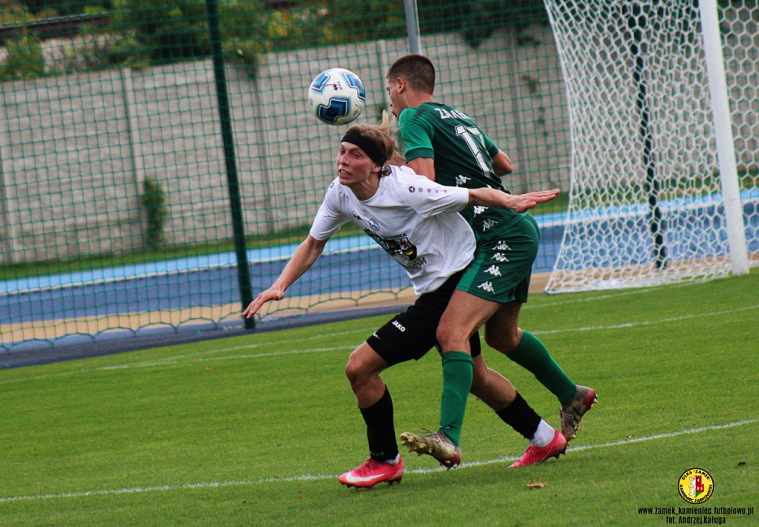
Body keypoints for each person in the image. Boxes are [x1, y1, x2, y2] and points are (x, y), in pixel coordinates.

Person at [243, 117, 565, 488]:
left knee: (359, 367)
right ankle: (544, 437)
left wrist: (512, 199)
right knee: (475, 377)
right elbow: (314, 243)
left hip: (455, 281)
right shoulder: (340, 192)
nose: (343, 161)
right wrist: (279, 285)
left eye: (355, 155)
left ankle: (385, 460)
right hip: (432, 287)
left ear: (377, 165)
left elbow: (474, 194)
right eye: (341, 152)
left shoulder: (409, 188)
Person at [386, 54, 597, 468]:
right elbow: (504, 165)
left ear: (398, 85)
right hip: (513, 228)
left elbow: (425, 184)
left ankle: (448, 437)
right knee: (503, 336)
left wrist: (393, 164)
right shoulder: (458, 116)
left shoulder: (412, 118)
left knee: (451, 331)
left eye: (388, 91)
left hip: (496, 234)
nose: (390, 103)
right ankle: (572, 394)